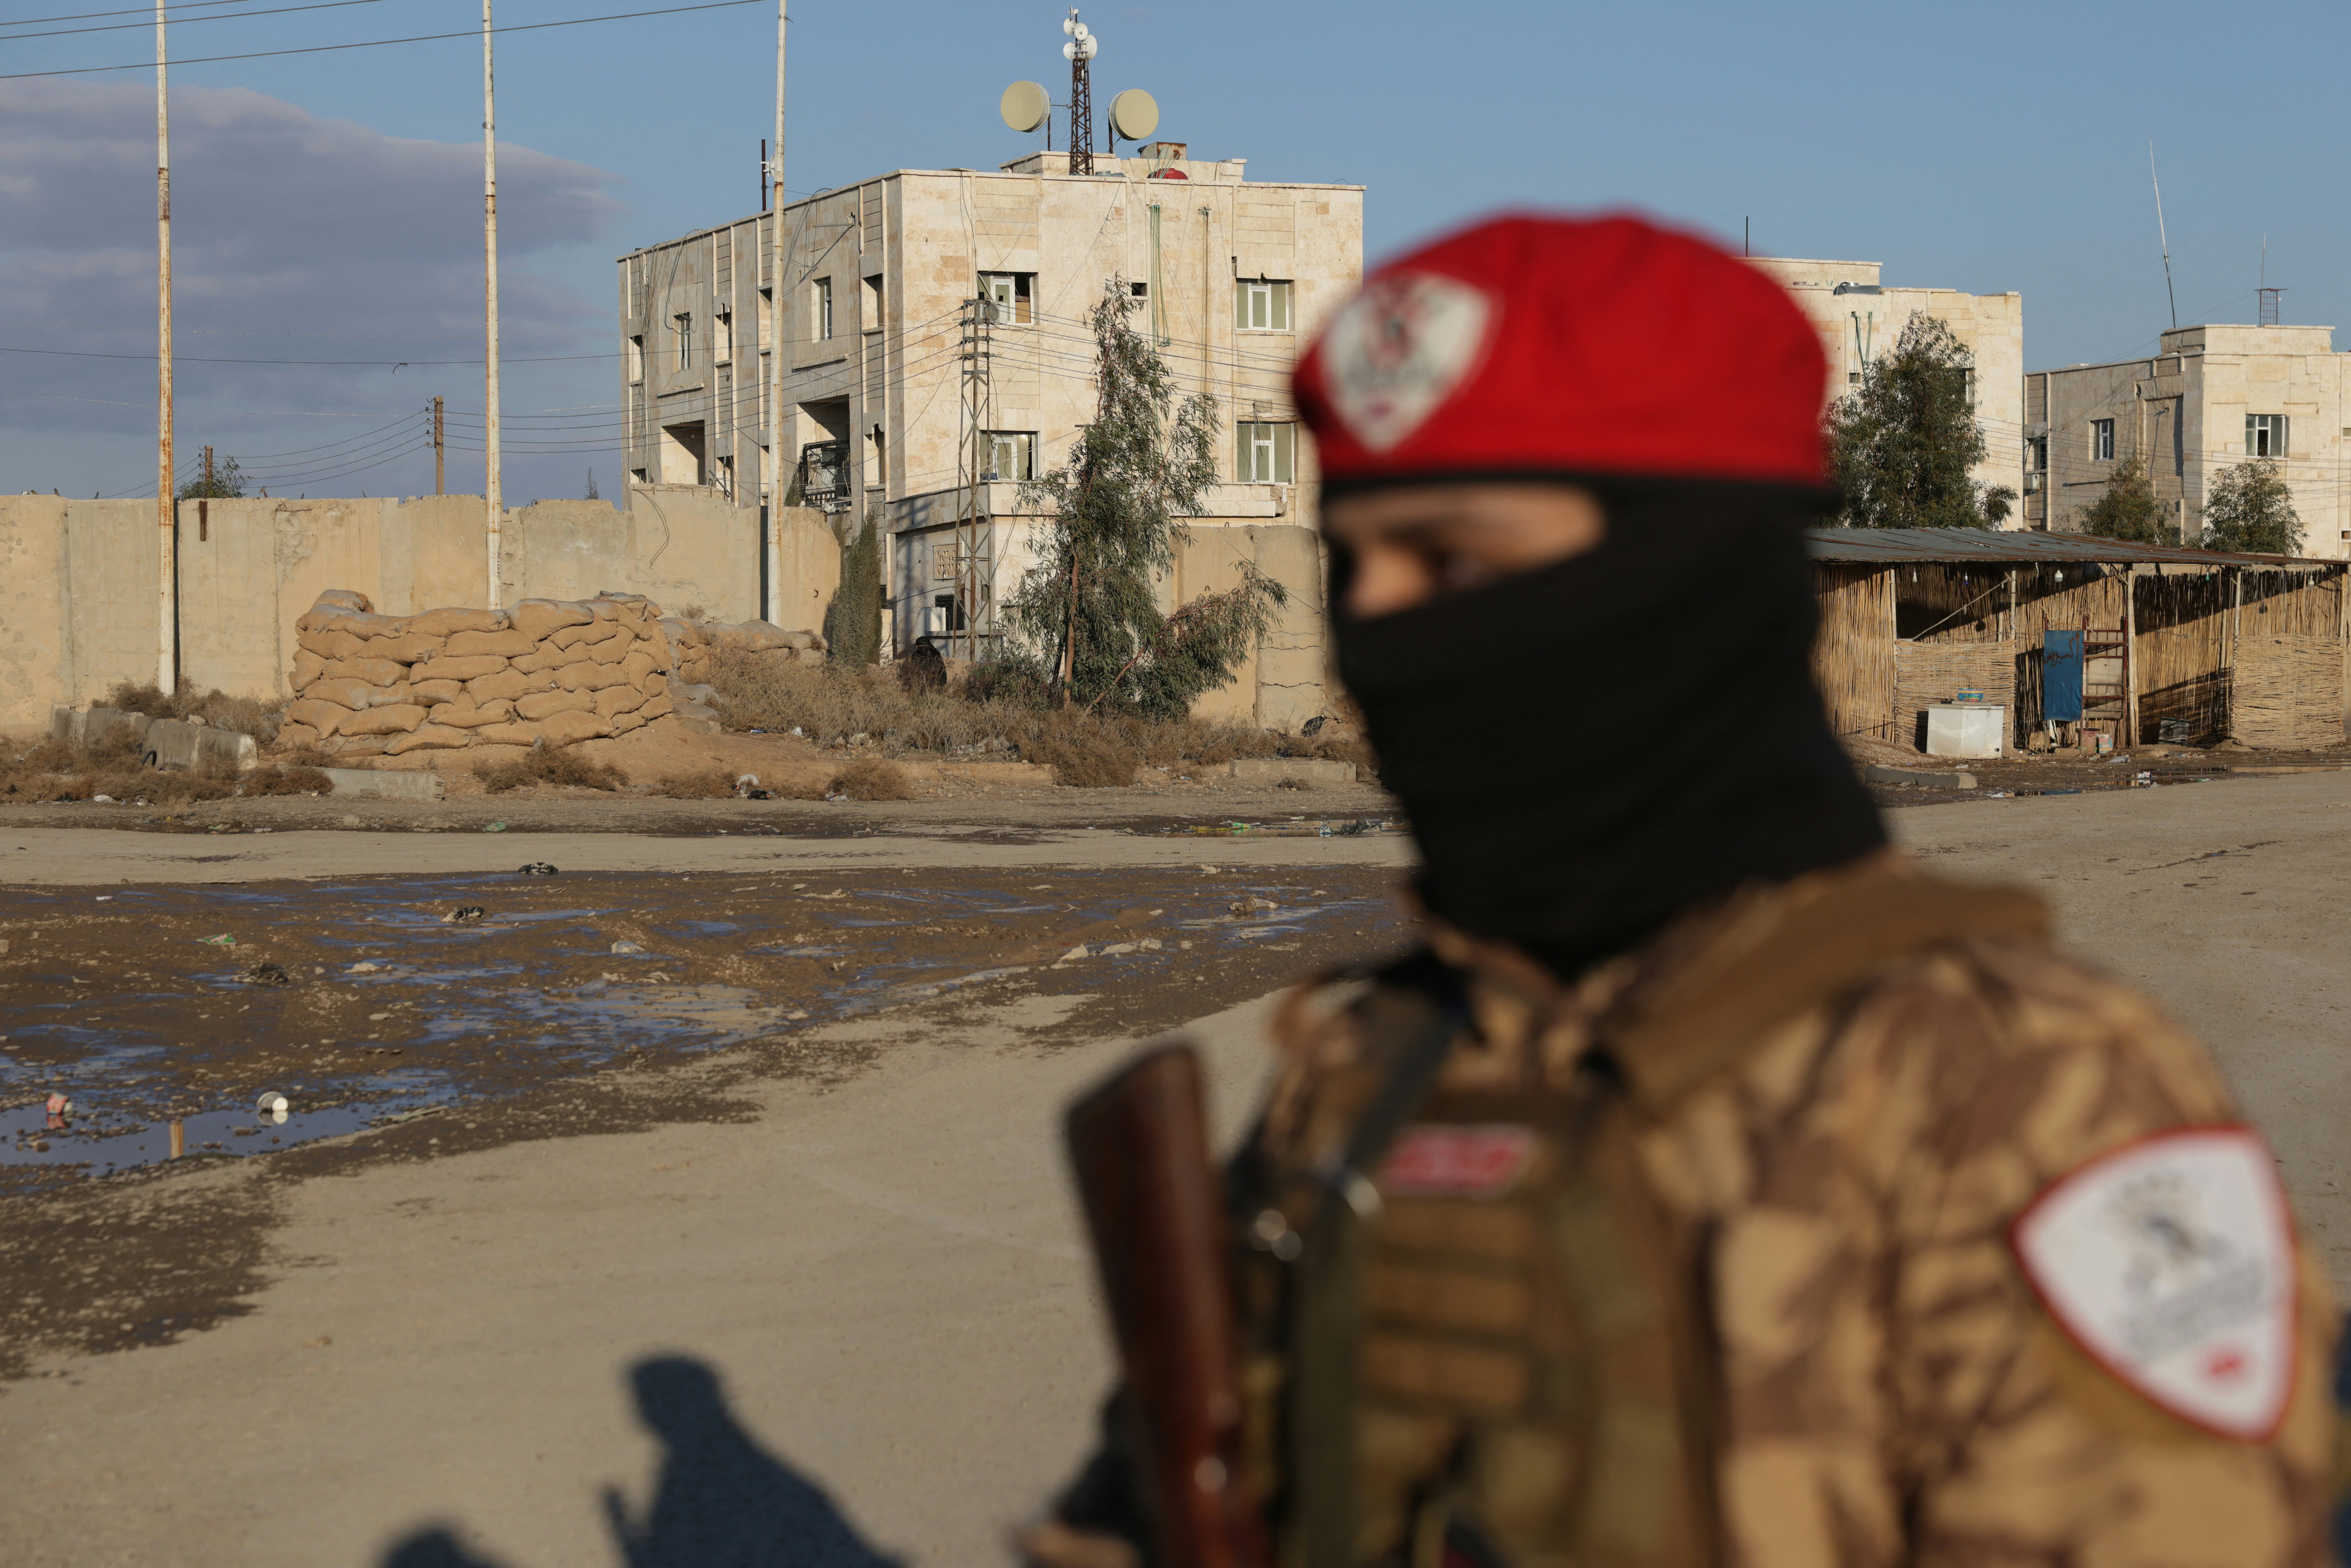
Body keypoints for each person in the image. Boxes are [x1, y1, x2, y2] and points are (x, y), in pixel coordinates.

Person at [1021, 214, 2337, 1568]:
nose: (1387, 635)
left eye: (1459, 562)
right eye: (1354, 570)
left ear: (1681, 583)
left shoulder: (2021, 1095)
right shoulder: (1378, 1064)